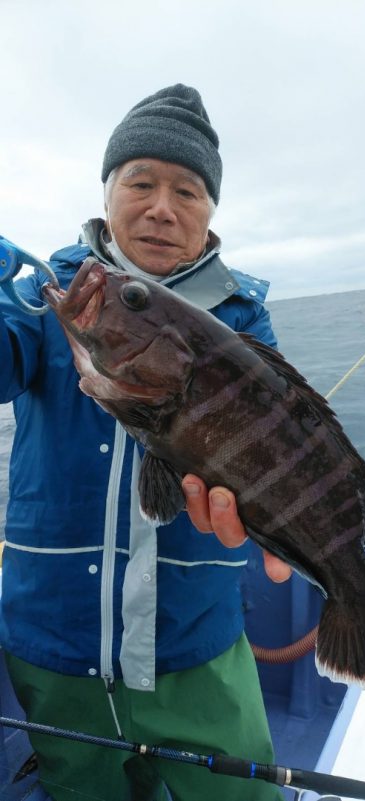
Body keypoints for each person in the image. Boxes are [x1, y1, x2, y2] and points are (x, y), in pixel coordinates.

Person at [0, 84, 291, 801]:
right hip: (54, 641)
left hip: (195, 640)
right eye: (142, 181)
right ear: (107, 193)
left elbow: (280, 448)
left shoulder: (245, 319)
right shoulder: (48, 296)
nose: (163, 206)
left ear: (210, 213)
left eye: (188, 190)